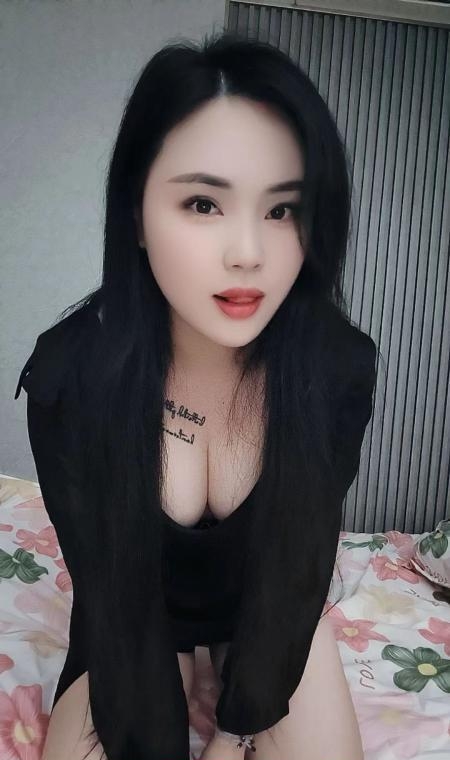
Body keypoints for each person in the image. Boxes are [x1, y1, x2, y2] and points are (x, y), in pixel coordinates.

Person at [15, 29, 378, 760]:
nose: (248, 252)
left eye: (282, 210)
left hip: (268, 615)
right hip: (133, 619)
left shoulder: (334, 367)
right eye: (204, 203)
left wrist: (237, 729)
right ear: (136, 214)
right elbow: (113, 594)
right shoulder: (71, 376)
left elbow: (295, 569)